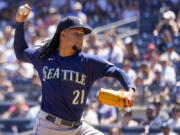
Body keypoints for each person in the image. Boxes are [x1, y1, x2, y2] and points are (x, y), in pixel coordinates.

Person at [14, 4, 135, 135]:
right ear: (63, 35)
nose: (80, 38)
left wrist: (130, 90)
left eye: (82, 35)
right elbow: (20, 52)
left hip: (78, 127)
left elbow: (118, 72)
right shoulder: (44, 57)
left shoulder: (88, 62)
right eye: (76, 34)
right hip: (50, 127)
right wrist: (20, 22)